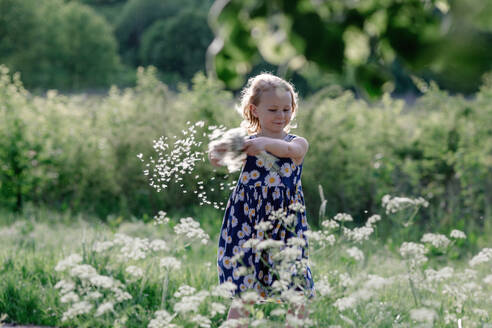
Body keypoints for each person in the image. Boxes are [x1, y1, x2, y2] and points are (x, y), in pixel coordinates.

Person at [208, 73, 315, 325]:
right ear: (255, 110)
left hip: (286, 226)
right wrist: (225, 147)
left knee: (297, 291)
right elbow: (215, 158)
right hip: (248, 225)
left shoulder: (296, 142)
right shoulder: (248, 144)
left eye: (286, 109)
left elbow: (292, 152)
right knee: (245, 292)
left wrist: (263, 143)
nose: (281, 116)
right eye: (273, 109)